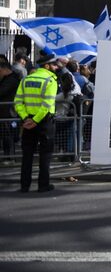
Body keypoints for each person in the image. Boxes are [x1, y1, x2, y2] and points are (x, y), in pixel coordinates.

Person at [15, 52, 60, 192]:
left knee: (27, 154)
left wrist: (26, 118)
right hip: (44, 122)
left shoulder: (25, 80)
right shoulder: (50, 80)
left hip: (27, 121)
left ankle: (24, 185)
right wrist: (35, 121)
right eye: (54, 65)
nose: (56, 67)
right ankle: (43, 185)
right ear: (46, 66)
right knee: (45, 154)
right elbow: (46, 105)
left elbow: (17, 102)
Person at [0, 60, 21, 160]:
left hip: (9, 112)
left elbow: (2, 92)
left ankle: (10, 157)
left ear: (4, 69)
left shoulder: (12, 80)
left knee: (8, 135)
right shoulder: (6, 79)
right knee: (6, 135)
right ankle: (8, 156)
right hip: (5, 111)